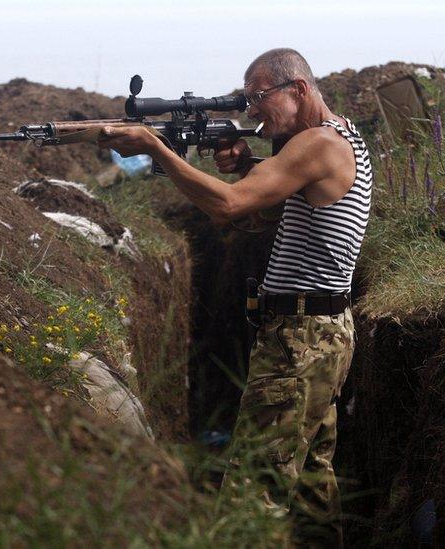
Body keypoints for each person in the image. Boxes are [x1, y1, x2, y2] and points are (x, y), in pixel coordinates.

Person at [98, 48, 372, 546]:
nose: (251, 112)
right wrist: (249, 165)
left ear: (300, 90)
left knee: (253, 492)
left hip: (301, 340)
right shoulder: (339, 137)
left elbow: (228, 207)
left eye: (258, 98)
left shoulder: (318, 144)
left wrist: (154, 148)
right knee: (310, 485)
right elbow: (265, 212)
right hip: (319, 335)